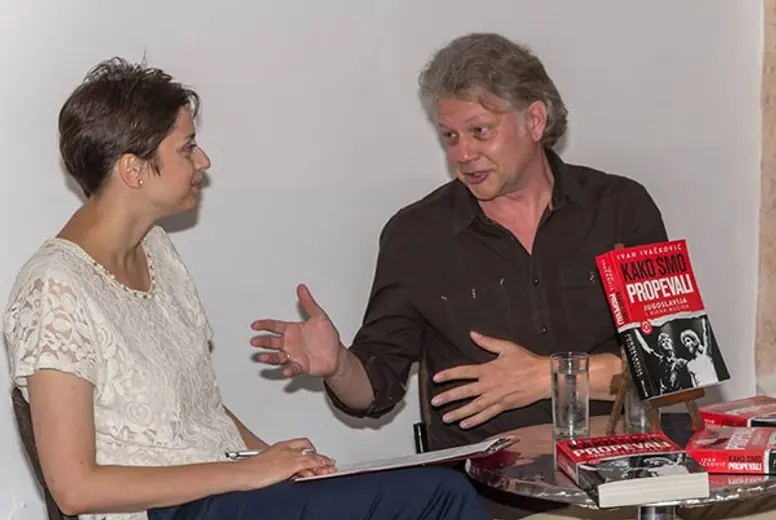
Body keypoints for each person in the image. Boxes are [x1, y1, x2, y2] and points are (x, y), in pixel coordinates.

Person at [250, 33, 776, 520]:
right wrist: (337, 364)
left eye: (480, 131)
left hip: (640, 480)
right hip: (503, 499)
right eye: (449, 136)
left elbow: (679, 367)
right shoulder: (416, 236)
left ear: (535, 120)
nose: (463, 154)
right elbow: (373, 390)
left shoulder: (620, 208)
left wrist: (546, 377)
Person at [2, 58, 492, 520]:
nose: (203, 160)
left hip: (217, 494)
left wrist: (276, 460)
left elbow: (198, 412)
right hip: (161, 511)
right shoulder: (55, 288)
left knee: (428, 490)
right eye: (187, 147)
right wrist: (248, 473)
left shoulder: (156, 250)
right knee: (439, 495)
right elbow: (74, 488)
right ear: (133, 170)